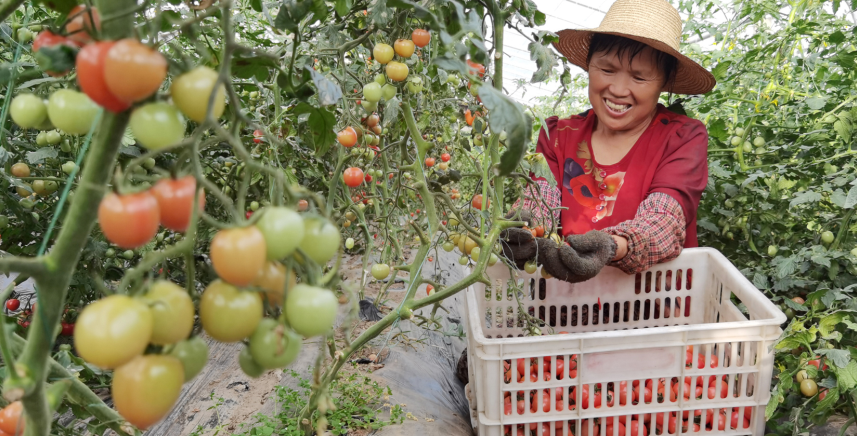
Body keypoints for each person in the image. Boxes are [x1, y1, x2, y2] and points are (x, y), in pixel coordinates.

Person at [500, 0, 716, 284]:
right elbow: (541, 199)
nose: (618, 89)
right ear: (589, 65)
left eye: (639, 77)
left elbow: (664, 218)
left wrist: (615, 246)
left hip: (653, 301)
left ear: (663, 82)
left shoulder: (680, 138)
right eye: (607, 69)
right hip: (566, 299)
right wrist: (526, 228)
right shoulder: (558, 136)